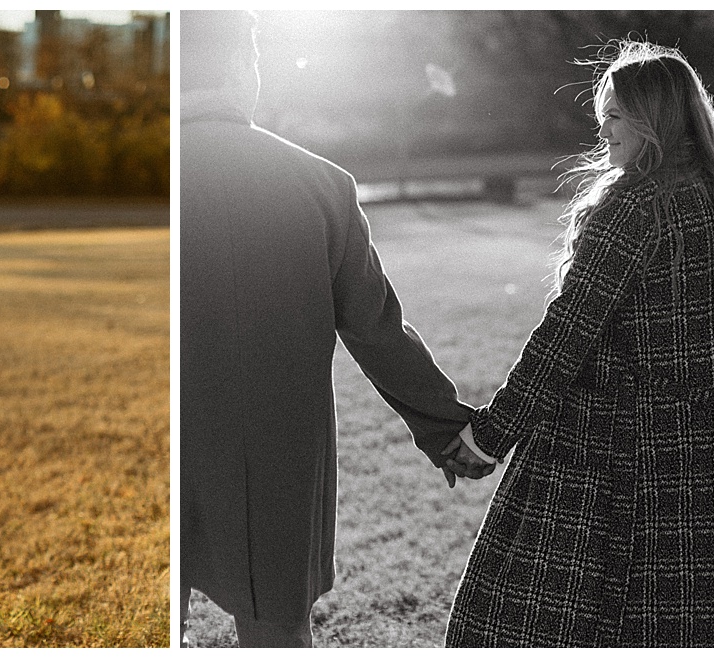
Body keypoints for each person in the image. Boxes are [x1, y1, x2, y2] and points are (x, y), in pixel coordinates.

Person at [444, 41, 714, 647]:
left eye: (614, 115)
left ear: (653, 117)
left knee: (519, 620)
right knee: (684, 627)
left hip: (623, 456)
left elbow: (566, 334)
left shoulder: (636, 204)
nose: (602, 128)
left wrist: (488, 436)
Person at [180, 10, 493, 648]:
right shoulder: (321, 184)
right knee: (276, 629)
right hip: (274, 454)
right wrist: (444, 425)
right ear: (247, 66)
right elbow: (377, 331)